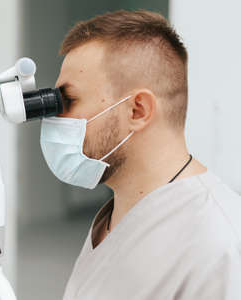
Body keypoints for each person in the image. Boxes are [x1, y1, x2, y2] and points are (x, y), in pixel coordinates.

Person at [39, 10, 241, 299]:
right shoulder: (117, 216)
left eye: (69, 100)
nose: (57, 118)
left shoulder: (219, 245)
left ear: (138, 110)